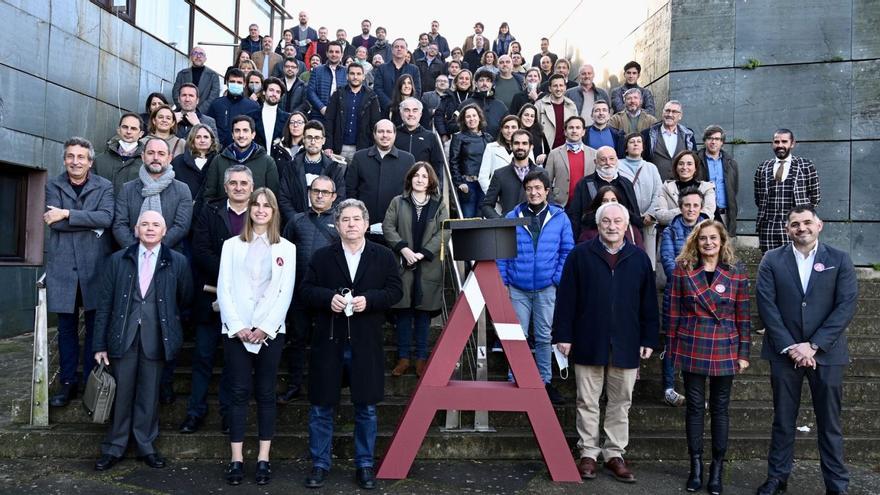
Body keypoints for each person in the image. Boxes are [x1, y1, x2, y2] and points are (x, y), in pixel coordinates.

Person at [300, 199, 403, 490]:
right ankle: (320, 465)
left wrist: (370, 300)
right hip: (328, 342)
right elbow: (306, 290)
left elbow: (396, 290)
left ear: (367, 224)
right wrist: (326, 298)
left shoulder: (382, 256)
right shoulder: (322, 257)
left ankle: (365, 465)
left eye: (356, 219)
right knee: (321, 407)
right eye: (345, 219)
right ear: (337, 224)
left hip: (365, 341)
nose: (351, 224)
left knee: (366, 408)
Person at [553, 201, 658, 482]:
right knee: (586, 400)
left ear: (626, 226)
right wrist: (563, 335)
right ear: (598, 225)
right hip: (589, 339)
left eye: (617, 222)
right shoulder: (580, 255)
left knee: (621, 401)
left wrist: (649, 337)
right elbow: (566, 299)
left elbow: (649, 303)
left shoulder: (639, 258)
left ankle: (614, 454)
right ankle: (588, 452)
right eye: (606, 222)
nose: (612, 227)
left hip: (626, 341)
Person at [92, 210, 193, 472]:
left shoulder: (177, 262)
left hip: (157, 338)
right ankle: (115, 447)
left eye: (155, 224)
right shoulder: (117, 260)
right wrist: (99, 344)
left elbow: (185, 299)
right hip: (123, 336)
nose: (150, 228)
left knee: (149, 395)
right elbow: (104, 304)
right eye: (144, 224)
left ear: (164, 230)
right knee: (121, 394)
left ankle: (145, 446)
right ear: (136, 229)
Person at [216, 187, 295, 485]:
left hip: (270, 332)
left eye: (267, 205)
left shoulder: (287, 248)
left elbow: (284, 293)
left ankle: (263, 459)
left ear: (274, 212)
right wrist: (237, 326)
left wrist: (265, 327)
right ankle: (236, 459)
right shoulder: (231, 245)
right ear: (248, 209)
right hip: (236, 331)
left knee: (265, 394)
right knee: (237, 393)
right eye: (256, 204)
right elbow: (224, 289)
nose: (261, 209)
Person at [666, 219, 750, 495]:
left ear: (722, 241)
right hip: (693, 343)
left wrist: (744, 352)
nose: (708, 243)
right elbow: (674, 310)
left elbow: (743, 316)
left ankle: (717, 469)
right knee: (693, 407)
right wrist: (672, 346)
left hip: (725, 344)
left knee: (720, 408)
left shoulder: (737, 271)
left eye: (713, 238)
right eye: (703, 239)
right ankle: (696, 468)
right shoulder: (683, 269)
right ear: (696, 241)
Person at [179, 165, 254, 436]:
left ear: (251, 186)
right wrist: (228, 275)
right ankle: (194, 412)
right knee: (202, 356)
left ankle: (227, 413)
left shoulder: (259, 215)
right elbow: (200, 250)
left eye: (243, 183)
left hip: (245, 302)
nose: (238, 187)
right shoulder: (209, 211)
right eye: (233, 183)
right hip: (210, 296)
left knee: (233, 362)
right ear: (225, 187)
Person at [45, 137, 114, 407]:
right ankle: (67, 383)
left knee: (96, 328)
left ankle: (90, 381)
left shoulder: (104, 186)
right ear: (64, 159)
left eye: (81, 157)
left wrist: (66, 213)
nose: (76, 161)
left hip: (95, 266)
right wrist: (84, 220)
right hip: (63, 268)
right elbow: (54, 224)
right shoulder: (53, 184)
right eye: (71, 156)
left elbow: (106, 218)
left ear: (90, 162)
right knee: (66, 329)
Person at [498, 169, 573, 404]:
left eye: (538, 188)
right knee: (517, 336)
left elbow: (567, 250)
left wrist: (556, 278)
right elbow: (502, 252)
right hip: (518, 287)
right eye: (529, 188)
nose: (533, 192)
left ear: (547, 191)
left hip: (546, 287)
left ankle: (544, 381)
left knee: (543, 336)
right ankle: (515, 378)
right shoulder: (513, 216)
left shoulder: (559, 217)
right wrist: (503, 281)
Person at [278, 176, 340, 403]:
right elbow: (282, 254)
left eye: (325, 192)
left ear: (334, 196)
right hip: (299, 292)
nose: (320, 195)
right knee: (297, 340)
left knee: (325, 343)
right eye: (316, 191)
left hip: (328, 295)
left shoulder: (341, 222)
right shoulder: (296, 221)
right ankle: (295, 385)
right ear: (309, 193)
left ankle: (322, 387)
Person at [383, 163, 448, 377]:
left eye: (424, 176)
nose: (420, 179)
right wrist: (404, 249)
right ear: (410, 178)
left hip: (428, 266)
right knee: (402, 314)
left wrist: (422, 253)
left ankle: (421, 359)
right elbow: (388, 227)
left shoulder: (439, 204)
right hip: (403, 264)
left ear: (430, 181)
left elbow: (444, 230)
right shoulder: (397, 202)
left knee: (422, 314)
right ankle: (403, 359)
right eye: (416, 176)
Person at [659, 189, 709, 408]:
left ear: (701, 207)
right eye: (687, 205)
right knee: (672, 341)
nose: (691, 209)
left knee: (701, 342)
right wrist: (690, 283)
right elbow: (669, 262)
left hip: (705, 296)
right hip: (677, 294)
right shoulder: (670, 231)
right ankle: (669, 388)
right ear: (680, 207)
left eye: (695, 205)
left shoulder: (710, 231)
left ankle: (697, 392)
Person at [112, 138, 193, 251]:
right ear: (142, 157)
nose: (156, 158)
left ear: (169, 158)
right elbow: (119, 225)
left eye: (161, 154)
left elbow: (181, 227)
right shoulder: (127, 189)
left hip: (169, 256)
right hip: (131, 256)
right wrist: (137, 251)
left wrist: (155, 250)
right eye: (150, 153)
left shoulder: (182, 190)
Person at [754, 129, 821, 253]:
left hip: (796, 226)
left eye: (784, 141)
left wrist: (802, 218)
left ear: (792, 144)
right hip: (768, 226)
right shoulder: (763, 167)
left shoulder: (806, 165)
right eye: (776, 142)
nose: (780, 145)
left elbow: (815, 197)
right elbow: (758, 198)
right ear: (772, 144)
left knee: (796, 262)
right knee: (770, 263)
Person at [346, 119, 416, 227]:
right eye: (380, 131)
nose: (385, 135)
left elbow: (411, 191)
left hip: (397, 223)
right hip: (364, 223)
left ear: (394, 134)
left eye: (388, 132)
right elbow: (350, 189)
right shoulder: (360, 157)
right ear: (374, 134)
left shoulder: (408, 159)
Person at [278, 120, 346, 223]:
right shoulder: (291, 167)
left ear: (323, 140)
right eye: (309, 137)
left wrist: (324, 220)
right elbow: (284, 198)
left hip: (325, 226)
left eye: (317, 138)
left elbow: (339, 199)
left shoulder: (334, 169)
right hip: (296, 225)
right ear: (303, 139)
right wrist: (297, 221)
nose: (313, 142)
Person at [568, 147, 642, 241]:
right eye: (603, 159)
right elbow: (575, 216)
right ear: (595, 162)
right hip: (592, 240)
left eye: (611, 159)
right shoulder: (584, 184)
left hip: (624, 240)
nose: (608, 163)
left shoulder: (626, 184)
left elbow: (636, 216)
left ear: (617, 160)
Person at [203, 115, 280, 202]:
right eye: (237, 131)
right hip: (224, 214)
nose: (241, 135)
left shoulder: (267, 162)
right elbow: (209, 196)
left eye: (245, 131)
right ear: (232, 135)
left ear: (253, 134)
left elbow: (273, 197)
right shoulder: (218, 161)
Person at [617, 132, 662, 265]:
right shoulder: (617, 166)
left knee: (648, 259)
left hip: (648, 221)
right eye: (631, 142)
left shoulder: (651, 168)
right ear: (626, 147)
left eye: (638, 142)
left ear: (643, 147)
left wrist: (650, 214)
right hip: (626, 220)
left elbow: (658, 192)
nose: (635, 144)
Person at [481, 130, 538, 218]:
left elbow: (549, 203)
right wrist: (501, 222)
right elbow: (486, 206)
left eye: (524, 143)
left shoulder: (541, 173)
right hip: (509, 229)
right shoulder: (499, 174)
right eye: (516, 143)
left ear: (531, 147)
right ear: (511, 146)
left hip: (535, 228)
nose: (520, 147)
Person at [544, 116, 598, 209]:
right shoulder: (554, 153)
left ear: (583, 132)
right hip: (561, 205)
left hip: (588, 204)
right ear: (565, 132)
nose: (574, 131)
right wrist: (552, 201)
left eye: (578, 128)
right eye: (571, 127)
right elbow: (547, 181)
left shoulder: (594, 154)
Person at [450, 105, 493, 218]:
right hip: (468, 185)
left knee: (482, 218)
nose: (471, 119)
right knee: (468, 219)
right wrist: (459, 183)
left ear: (479, 118)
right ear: (464, 120)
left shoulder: (488, 138)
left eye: (474, 115)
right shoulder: (458, 137)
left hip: (484, 184)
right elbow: (453, 162)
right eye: (468, 116)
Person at [653, 150, 717, 227]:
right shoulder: (665, 188)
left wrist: (680, 211)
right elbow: (660, 216)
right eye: (681, 164)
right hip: (672, 235)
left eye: (689, 164)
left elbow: (708, 214)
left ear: (695, 168)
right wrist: (692, 211)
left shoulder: (707, 188)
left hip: (698, 235)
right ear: (676, 167)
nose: (684, 167)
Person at [641, 100, 697, 181]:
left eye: (674, 112)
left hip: (682, 186)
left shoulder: (688, 135)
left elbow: (694, 159)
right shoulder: (647, 134)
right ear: (662, 113)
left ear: (680, 116)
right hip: (656, 185)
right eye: (667, 111)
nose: (670, 114)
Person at [170, 124, 220, 215]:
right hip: (184, 211)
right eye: (198, 137)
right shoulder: (178, 162)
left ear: (212, 140)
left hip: (211, 213)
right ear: (192, 140)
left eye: (206, 137)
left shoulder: (218, 161)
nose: (202, 140)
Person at [698, 125, 739, 235]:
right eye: (709, 138)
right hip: (703, 213)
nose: (713, 142)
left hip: (725, 214)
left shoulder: (731, 163)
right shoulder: (696, 160)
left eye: (717, 139)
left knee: (725, 249)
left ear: (722, 142)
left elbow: (734, 188)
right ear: (705, 141)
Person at [206, 68, 260, 148]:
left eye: (239, 82)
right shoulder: (216, 104)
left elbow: (257, 132)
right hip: (220, 151)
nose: (235, 84)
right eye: (232, 82)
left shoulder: (253, 106)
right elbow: (209, 128)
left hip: (245, 151)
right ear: (227, 83)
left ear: (244, 84)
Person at [394, 98, 445, 181]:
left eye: (415, 110)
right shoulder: (393, 134)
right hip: (397, 183)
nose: (411, 114)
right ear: (401, 113)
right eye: (407, 110)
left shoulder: (430, 137)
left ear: (420, 114)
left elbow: (437, 165)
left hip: (421, 184)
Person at [93, 113, 145, 194]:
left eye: (133, 129)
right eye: (125, 127)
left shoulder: (146, 163)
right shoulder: (99, 160)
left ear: (141, 134)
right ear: (118, 130)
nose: (128, 131)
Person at [575, 185, 643, 246]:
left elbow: (640, 256)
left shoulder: (632, 229)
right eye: (605, 200)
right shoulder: (588, 232)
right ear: (599, 203)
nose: (610, 203)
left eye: (613, 200)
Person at [373, 39, 422, 114]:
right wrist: (390, 105)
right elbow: (377, 89)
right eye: (396, 47)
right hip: (386, 111)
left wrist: (406, 105)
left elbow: (417, 90)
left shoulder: (414, 69)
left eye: (402, 47)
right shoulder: (382, 68)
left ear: (406, 51)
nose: (399, 49)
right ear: (392, 50)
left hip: (407, 111)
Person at [459, 69, 508, 139]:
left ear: (492, 84)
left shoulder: (501, 106)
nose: (485, 83)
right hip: (470, 145)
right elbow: (453, 125)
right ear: (476, 83)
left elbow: (508, 125)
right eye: (481, 80)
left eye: (488, 81)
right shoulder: (466, 104)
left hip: (495, 145)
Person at [478, 114, 520, 193]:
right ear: (501, 129)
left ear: (519, 129)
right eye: (506, 127)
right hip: (497, 197)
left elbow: (530, 175)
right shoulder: (491, 147)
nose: (510, 131)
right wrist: (493, 195)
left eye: (513, 127)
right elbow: (483, 177)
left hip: (520, 197)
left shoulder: (525, 148)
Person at [306, 41, 347, 122]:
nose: (334, 54)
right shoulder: (317, 70)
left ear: (342, 54)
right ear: (327, 53)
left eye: (337, 52)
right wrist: (322, 108)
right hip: (318, 115)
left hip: (340, 117)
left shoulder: (347, 72)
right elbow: (310, 92)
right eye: (331, 51)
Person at [172, 46, 221, 113]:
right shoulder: (182, 74)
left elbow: (213, 97)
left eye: (201, 54)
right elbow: (175, 93)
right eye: (195, 53)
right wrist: (185, 108)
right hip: (183, 112)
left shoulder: (213, 76)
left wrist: (198, 111)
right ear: (191, 57)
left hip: (204, 115)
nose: (198, 56)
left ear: (205, 59)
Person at [536, 74, 578, 150]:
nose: (558, 89)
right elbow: (534, 131)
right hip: (546, 151)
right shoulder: (539, 105)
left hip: (567, 150)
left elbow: (577, 130)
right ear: (550, 88)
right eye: (555, 86)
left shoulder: (572, 106)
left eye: (561, 85)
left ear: (565, 88)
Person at [254, 78, 291, 153]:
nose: (274, 94)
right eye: (271, 90)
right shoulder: (251, 116)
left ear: (280, 96)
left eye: (278, 92)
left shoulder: (287, 118)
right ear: (264, 92)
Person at [435, 69, 473, 139]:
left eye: (467, 79)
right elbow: (439, 116)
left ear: (470, 83)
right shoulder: (448, 96)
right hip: (451, 136)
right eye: (461, 78)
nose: (464, 81)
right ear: (456, 81)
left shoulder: (474, 98)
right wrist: (443, 134)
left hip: (472, 137)